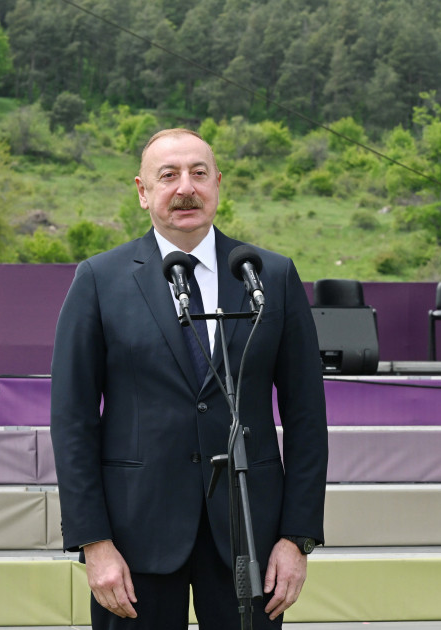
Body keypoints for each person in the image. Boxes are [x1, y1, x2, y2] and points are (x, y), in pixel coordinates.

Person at [50, 128, 328, 630]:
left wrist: (297, 538)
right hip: (134, 538)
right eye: (168, 175)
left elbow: (307, 416)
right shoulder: (98, 280)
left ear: (218, 183)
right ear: (142, 191)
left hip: (250, 536)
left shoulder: (270, 276)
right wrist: (94, 542)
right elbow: (72, 422)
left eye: (199, 173)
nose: (186, 188)